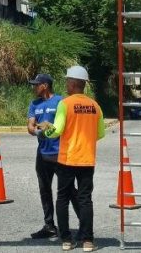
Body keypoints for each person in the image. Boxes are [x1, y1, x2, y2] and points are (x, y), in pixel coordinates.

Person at [39, 65, 105, 253]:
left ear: (74, 83)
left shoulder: (65, 104)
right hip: (87, 159)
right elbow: (100, 133)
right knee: (85, 199)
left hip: (67, 159)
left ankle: (66, 240)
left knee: (62, 199)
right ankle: (88, 241)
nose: (66, 84)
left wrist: (46, 128)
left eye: (68, 81)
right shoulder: (95, 106)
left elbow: (56, 131)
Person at [27, 73, 65, 240]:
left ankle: (81, 227)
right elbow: (30, 126)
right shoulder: (34, 104)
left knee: (67, 191)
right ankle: (49, 225)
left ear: (46, 85)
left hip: (60, 152)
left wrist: (50, 128)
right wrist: (37, 131)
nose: (34, 87)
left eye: (37, 84)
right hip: (42, 153)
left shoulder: (60, 101)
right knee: (45, 189)